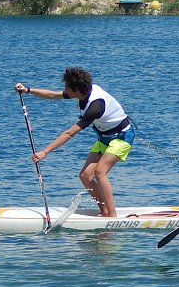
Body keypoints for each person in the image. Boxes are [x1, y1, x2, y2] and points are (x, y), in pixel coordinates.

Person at [13, 67, 134, 217]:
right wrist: (27, 90)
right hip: (104, 137)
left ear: (76, 89)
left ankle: (112, 216)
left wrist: (45, 152)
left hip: (121, 137)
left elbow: (69, 133)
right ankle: (104, 211)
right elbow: (53, 95)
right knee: (85, 175)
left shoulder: (95, 106)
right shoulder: (82, 92)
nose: (65, 90)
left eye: (67, 87)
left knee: (100, 172)